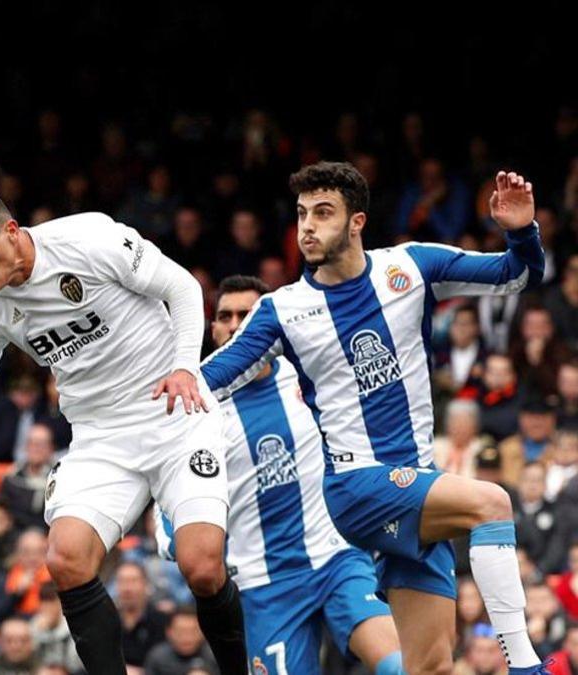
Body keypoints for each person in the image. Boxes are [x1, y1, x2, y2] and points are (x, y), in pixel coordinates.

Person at [202, 162, 548, 674]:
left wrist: (521, 231)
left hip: (415, 486)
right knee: (492, 502)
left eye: (323, 213)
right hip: (356, 487)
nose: (308, 228)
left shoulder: (410, 268)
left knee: (429, 667)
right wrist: (158, 385)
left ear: (357, 222)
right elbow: (212, 377)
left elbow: (516, 275)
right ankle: (525, 666)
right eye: (302, 214)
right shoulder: (283, 309)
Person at [0, 189, 244, 675]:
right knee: (66, 560)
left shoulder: (89, 239)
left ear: (11, 232)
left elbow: (181, 288)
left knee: (202, 567)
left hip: (173, 412)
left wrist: (185, 367)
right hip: (99, 437)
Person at [159, 275, 403, 674]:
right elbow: (167, 491)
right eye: (226, 316)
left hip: (338, 558)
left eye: (247, 314)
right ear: (214, 328)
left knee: (397, 665)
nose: (236, 324)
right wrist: (180, 539)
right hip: (264, 585)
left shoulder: (310, 371)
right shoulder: (193, 401)